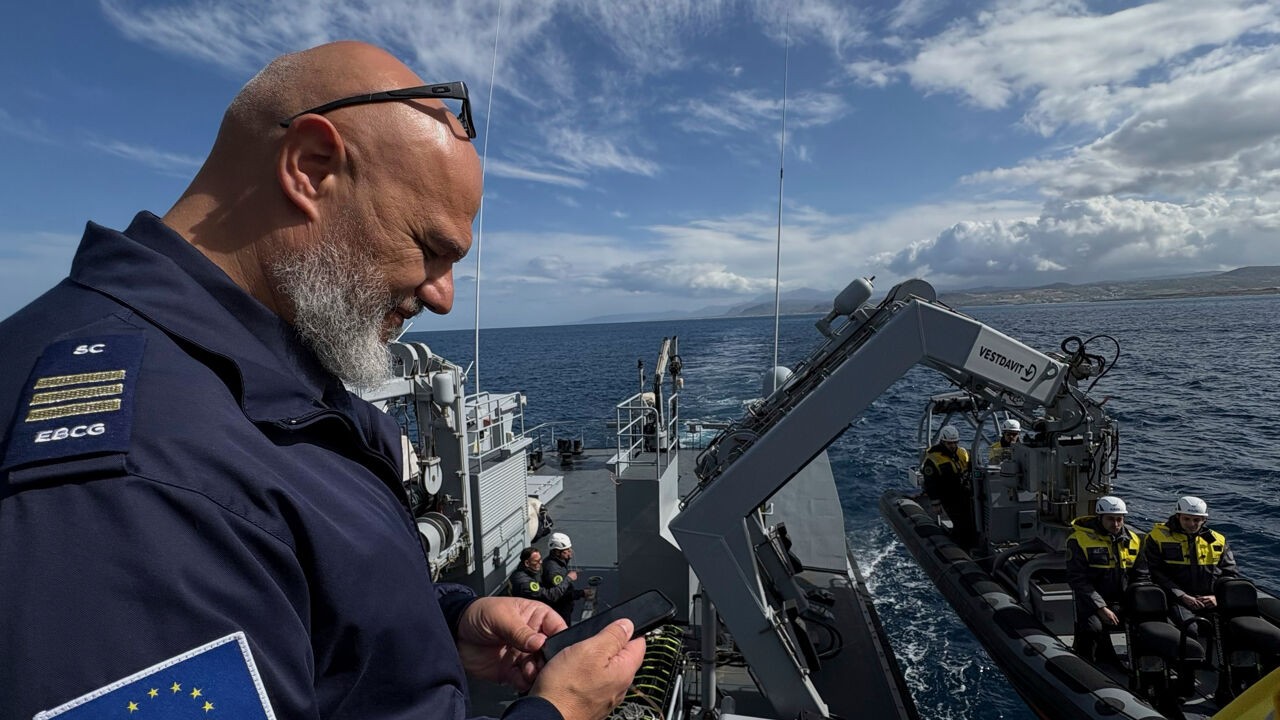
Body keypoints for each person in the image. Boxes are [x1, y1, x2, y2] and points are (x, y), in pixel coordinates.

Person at [0, 41, 643, 720]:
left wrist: (444, 622)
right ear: (310, 167)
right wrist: (557, 712)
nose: (444, 296)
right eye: (430, 247)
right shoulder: (130, 485)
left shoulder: (249, 368)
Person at [1142, 496, 1239, 636]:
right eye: (1186, 519)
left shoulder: (1218, 540)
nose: (1191, 524)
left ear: (1204, 520)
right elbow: (1154, 572)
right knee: (1190, 629)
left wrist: (1217, 597)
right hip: (1176, 599)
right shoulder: (1156, 537)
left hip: (1210, 600)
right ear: (1178, 516)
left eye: (1196, 520)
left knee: (1230, 628)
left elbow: (1230, 573)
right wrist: (1182, 596)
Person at [1065, 495, 1145, 664]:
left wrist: (1136, 602)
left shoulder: (1135, 541)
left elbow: (1141, 575)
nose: (1115, 524)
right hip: (1090, 602)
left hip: (1122, 599)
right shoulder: (1079, 540)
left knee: (1144, 625)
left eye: (1119, 519)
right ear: (1100, 517)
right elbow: (1077, 579)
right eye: (1110, 519)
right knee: (1093, 629)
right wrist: (1100, 606)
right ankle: (1086, 663)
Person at [921, 425, 977, 547]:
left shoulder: (962, 453)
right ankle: (961, 545)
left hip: (966, 493)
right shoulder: (933, 459)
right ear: (942, 441)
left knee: (973, 520)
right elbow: (930, 483)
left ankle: (972, 543)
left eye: (954, 443)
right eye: (949, 443)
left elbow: (971, 468)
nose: (952, 446)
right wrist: (935, 503)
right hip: (949, 496)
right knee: (961, 523)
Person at [544, 532, 589, 624]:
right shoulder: (553, 570)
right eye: (566, 551)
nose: (570, 554)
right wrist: (581, 593)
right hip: (559, 609)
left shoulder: (558, 562)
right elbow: (559, 594)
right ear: (557, 552)